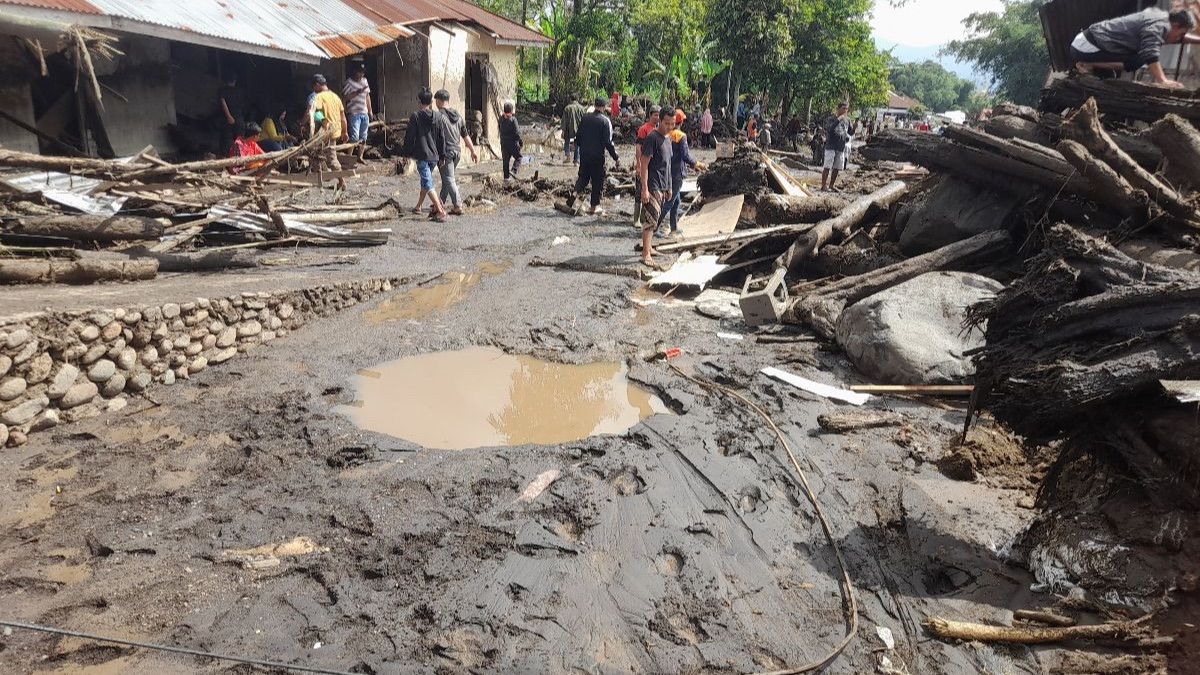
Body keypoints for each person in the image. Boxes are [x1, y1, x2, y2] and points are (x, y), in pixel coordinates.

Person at [1072, 8, 1198, 87]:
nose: (1179, 38)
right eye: (1181, 33)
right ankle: (1087, 63)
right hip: (1085, 47)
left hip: (1085, 42)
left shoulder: (1161, 18)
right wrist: (1163, 80)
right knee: (1138, 60)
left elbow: (1178, 38)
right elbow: (1150, 53)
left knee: (1110, 78)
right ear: (1175, 25)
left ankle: (1090, 65)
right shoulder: (1160, 26)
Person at [637, 106, 677, 268]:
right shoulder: (652, 138)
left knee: (656, 218)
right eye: (666, 123)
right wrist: (644, 188)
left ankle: (649, 248)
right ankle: (645, 254)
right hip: (652, 184)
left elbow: (667, 166)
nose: (669, 126)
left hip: (662, 185)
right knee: (650, 219)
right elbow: (644, 165)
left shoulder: (668, 139)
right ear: (659, 121)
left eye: (672, 124)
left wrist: (669, 187)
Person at [569, 97, 620, 216]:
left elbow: (579, 135)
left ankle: (575, 193)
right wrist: (615, 157)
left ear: (594, 105)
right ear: (603, 107)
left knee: (583, 177)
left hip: (585, 154)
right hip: (597, 156)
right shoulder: (605, 121)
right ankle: (594, 207)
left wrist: (579, 147)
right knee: (597, 180)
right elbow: (608, 142)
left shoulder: (585, 118)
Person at [402, 88, 448, 222]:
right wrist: (442, 156)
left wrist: (406, 153)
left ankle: (440, 210)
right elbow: (441, 138)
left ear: (419, 101)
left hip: (422, 155)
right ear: (431, 101)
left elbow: (409, 137)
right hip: (434, 156)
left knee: (427, 183)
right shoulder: (438, 117)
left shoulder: (416, 116)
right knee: (425, 181)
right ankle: (418, 206)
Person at [433, 88, 478, 216]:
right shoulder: (458, 116)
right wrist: (473, 151)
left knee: (449, 179)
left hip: (446, 152)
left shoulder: (439, 116)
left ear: (439, 101)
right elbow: (465, 135)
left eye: (436, 100)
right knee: (447, 179)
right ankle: (439, 203)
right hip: (457, 152)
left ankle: (458, 205)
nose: (435, 103)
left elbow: (435, 137)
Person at [657, 121, 704, 237]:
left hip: (668, 171)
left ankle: (673, 228)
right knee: (669, 202)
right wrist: (696, 163)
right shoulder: (681, 136)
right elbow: (685, 155)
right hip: (677, 173)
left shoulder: (667, 135)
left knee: (676, 201)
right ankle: (654, 227)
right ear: (681, 122)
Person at [307, 74, 348, 175]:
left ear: (317, 85)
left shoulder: (319, 96)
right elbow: (343, 117)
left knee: (331, 159)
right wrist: (345, 132)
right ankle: (323, 175)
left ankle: (341, 181)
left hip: (327, 133)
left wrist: (323, 121)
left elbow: (314, 113)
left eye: (314, 87)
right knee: (316, 154)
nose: (314, 89)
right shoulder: (335, 96)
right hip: (336, 131)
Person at [632, 106, 662, 226]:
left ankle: (645, 217)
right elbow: (638, 147)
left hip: (653, 166)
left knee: (650, 191)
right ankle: (636, 219)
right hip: (644, 163)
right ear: (650, 115)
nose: (657, 117)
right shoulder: (644, 129)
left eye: (659, 115)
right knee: (640, 191)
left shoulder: (658, 130)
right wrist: (639, 164)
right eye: (655, 115)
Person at [822, 102, 850, 191]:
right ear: (838, 109)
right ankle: (823, 185)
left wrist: (854, 125)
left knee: (837, 167)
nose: (845, 110)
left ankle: (831, 185)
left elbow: (850, 132)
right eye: (843, 108)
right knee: (827, 166)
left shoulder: (847, 120)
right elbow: (829, 129)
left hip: (840, 147)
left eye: (846, 109)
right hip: (831, 145)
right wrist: (838, 119)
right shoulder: (831, 119)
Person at [342, 64, 373, 144]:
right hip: (354, 114)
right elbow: (344, 98)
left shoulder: (365, 81)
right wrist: (357, 92)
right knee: (354, 137)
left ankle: (360, 156)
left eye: (363, 73)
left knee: (363, 138)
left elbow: (367, 96)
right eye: (359, 72)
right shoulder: (348, 82)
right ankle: (350, 155)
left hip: (364, 113)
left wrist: (370, 111)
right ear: (354, 71)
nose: (361, 75)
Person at [216, 74, 243, 156]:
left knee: (227, 140)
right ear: (235, 81)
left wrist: (229, 116)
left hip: (227, 120)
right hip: (238, 118)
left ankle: (228, 159)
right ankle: (238, 158)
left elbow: (223, 103)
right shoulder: (239, 91)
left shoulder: (222, 90)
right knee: (238, 139)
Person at [499, 102, 523, 180]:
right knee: (519, 157)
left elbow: (500, 128)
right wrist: (520, 142)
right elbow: (517, 133)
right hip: (512, 143)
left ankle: (506, 179)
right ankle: (514, 170)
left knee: (505, 162)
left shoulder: (501, 119)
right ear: (511, 110)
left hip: (504, 143)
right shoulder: (513, 120)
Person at [561, 94, 585, 165]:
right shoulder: (581, 108)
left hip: (568, 128)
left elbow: (564, 121)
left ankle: (568, 157)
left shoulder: (567, 108)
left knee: (566, 141)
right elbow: (584, 119)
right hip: (579, 128)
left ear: (571, 99)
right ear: (577, 99)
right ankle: (576, 161)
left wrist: (563, 131)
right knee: (577, 144)